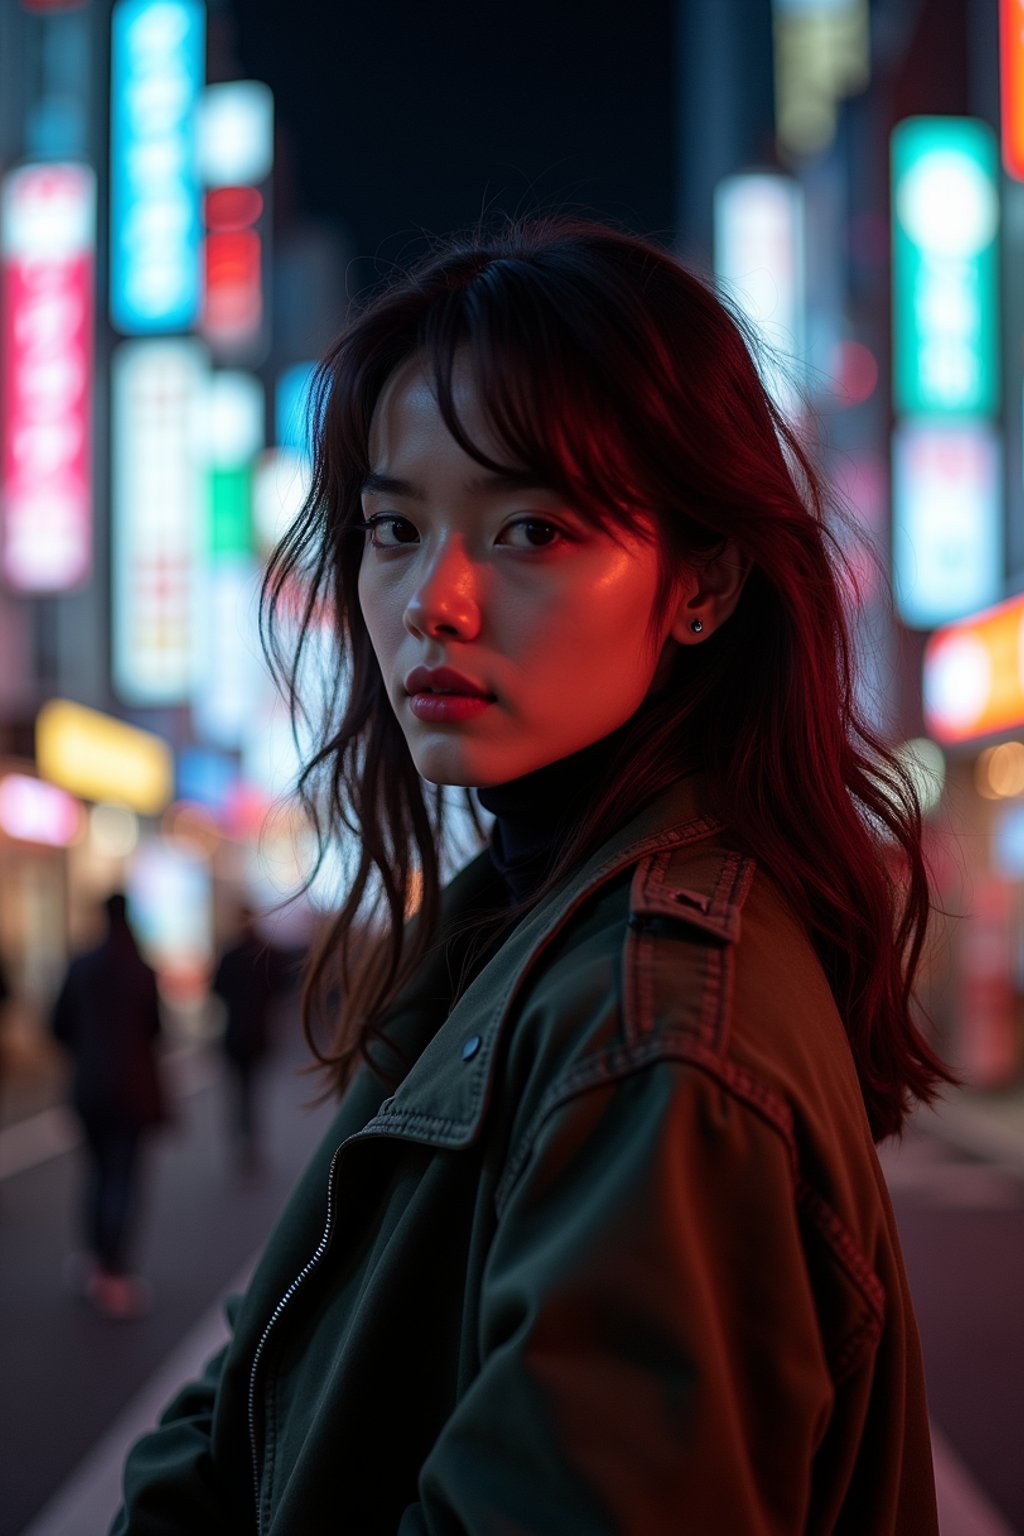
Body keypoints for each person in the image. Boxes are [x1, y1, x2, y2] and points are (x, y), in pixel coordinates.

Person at [110, 219, 953, 1532]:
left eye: (533, 530)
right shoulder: (513, 925)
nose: (430, 601)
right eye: (393, 527)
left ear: (705, 582)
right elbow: (249, 1399)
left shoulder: (650, 1020)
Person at [53, 892, 166, 1320]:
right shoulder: (140, 969)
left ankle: (95, 1262)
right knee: (124, 1177)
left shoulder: (81, 965)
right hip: (133, 1090)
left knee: (95, 1174)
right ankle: (116, 1272)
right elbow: (156, 1030)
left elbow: (58, 1024)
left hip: (89, 1089)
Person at [210, 906, 288, 1174]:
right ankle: (251, 1147)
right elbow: (282, 988)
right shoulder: (266, 954)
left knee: (240, 1093)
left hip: (234, 1034)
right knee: (252, 1092)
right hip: (259, 1033)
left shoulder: (231, 955)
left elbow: (216, 989)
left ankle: (244, 1146)